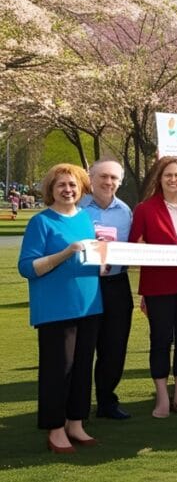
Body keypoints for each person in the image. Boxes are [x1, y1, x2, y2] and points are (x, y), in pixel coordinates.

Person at [19, 164, 101, 453]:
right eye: (61, 185)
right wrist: (65, 253)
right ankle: (55, 429)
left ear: (81, 189)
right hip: (55, 310)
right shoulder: (41, 222)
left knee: (82, 369)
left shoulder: (86, 219)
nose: (68, 190)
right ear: (51, 190)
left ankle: (75, 423)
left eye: (73, 184)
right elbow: (27, 267)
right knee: (58, 371)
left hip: (89, 306)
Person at [129, 156, 177, 418]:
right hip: (158, 284)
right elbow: (133, 245)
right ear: (159, 179)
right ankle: (162, 398)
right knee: (161, 339)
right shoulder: (145, 209)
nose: (173, 179)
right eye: (168, 175)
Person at [79, 159, 134, 420]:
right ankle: (77, 406)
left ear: (120, 182)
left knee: (114, 347)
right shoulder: (77, 209)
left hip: (116, 284)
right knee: (82, 347)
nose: (108, 182)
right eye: (103, 176)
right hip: (84, 284)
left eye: (113, 178)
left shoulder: (126, 211)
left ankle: (106, 401)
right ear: (91, 178)